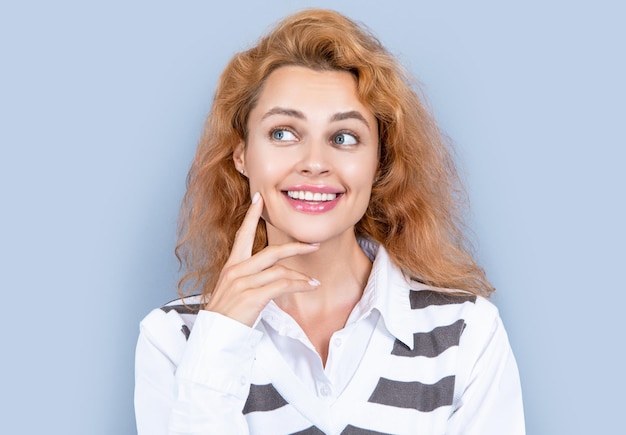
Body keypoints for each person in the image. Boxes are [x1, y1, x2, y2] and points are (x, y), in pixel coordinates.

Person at [134, 8, 525, 435]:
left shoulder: (467, 334)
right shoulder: (175, 339)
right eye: (283, 132)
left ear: (380, 162)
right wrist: (220, 340)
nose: (315, 163)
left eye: (344, 138)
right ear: (241, 155)